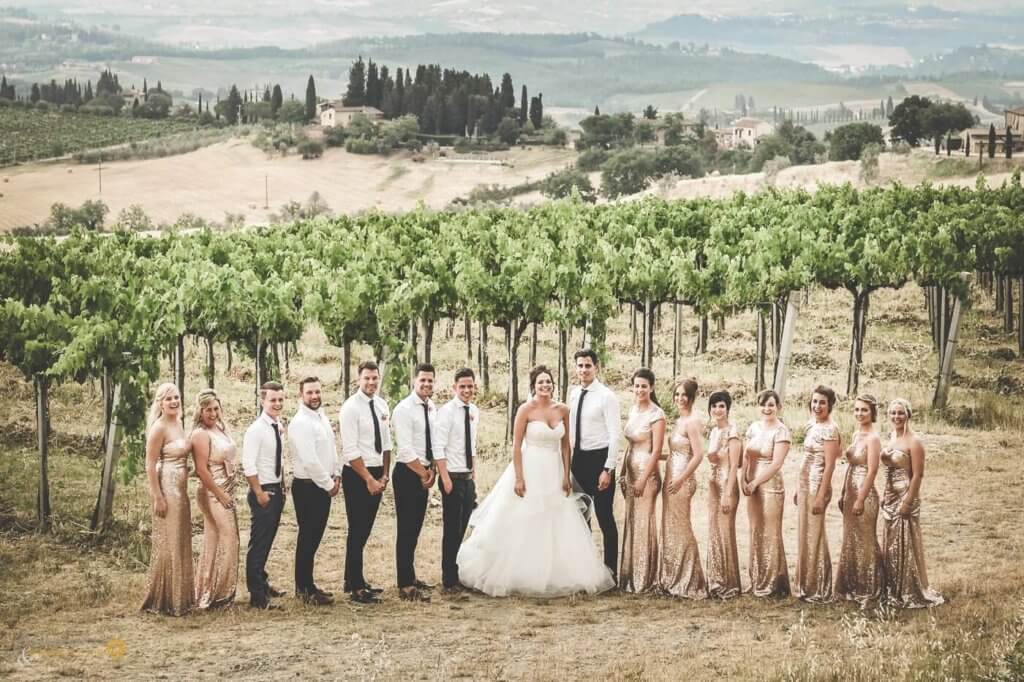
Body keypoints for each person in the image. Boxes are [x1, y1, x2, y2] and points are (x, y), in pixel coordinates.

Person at [457, 365, 614, 597]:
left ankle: (557, 572)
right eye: (540, 382)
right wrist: (519, 478)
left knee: (557, 519)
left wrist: (566, 474)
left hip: (555, 470)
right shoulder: (525, 410)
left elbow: (565, 445)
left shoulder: (562, 410)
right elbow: (517, 445)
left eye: (548, 382)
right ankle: (521, 571)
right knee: (525, 517)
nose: (545, 386)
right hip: (530, 468)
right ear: (533, 386)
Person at [880, 399, 944, 608]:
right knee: (890, 542)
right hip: (889, 495)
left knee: (905, 541)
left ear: (908, 415)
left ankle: (909, 588)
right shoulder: (891, 437)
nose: (896, 417)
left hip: (906, 494)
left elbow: (918, 475)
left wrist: (907, 501)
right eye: (893, 413)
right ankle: (893, 586)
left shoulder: (914, 441)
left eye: (900, 413)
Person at [339, 360, 391, 604]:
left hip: (377, 472)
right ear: (358, 380)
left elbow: (387, 443)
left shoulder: (381, 405)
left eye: (375, 378)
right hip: (358, 474)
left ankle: (353, 578)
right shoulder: (350, 408)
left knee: (366, 528)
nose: (371, 382)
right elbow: (350, 450)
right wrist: (369, 479)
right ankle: (356, 587)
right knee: (357, 529)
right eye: (367, 378)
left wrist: (385, 474)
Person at [141, 382, 195, 615]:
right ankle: (166, 600)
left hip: (182, 489)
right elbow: (150, 465)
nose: (174, 401)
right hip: (167, 488)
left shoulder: (179, 423)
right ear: (160, 403)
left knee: (182, 538)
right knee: (170, 541)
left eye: (176, 397)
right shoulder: (159, 428)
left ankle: (182, 597)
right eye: (168, 398)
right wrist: (157, 497)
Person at [568, 349, 621, 580]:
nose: (583, 370)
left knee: (604, 517)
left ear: (596, 367)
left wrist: (607, 469)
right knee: (581, 518)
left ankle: (611, 571)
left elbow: (615, 435)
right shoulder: (573, 393)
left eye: (588, 365)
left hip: (600, 461)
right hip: (578, 460)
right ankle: (586, 569)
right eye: (580, 365)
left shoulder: (606, 396)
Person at [288, 376, 340, 606]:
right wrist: (329, 485)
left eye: (318, 392)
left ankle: (308, 584)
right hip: (309, 487)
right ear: (301, 395)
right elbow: (309, 460)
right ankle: (303, 589)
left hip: (323, 484)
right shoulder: (301, 423)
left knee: (314, 538)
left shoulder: (321, 417)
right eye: (310, 393)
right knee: (307, 538)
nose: (315, 396)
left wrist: (336, 472)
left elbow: (330, 447)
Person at [390, 363, 438, 602]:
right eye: (423, 381)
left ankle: (411, 575)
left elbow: (434, 442)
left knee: (416, 528)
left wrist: (433, 471)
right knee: (406, 528)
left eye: (430, 381)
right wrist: (423, 473)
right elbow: (406, 449)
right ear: (414, 381)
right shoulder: (403, 409)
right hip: (408, 473)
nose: (427, 384)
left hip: (425, 473)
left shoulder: (431, 407)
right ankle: (405, 584)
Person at [192, 389, 239, 610]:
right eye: (208, 409)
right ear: (200, 411)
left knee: (215, 540)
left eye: (215, 408)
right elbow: (201, 470)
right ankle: (219, 593)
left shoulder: (220, 428)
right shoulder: (201, 434)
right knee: (229, 538)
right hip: (214, 492)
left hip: (227, 489)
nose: (212, 413)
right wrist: (220, 494)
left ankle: (207, 591)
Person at [619, 368, 665, 594]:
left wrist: (642, 480)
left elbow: (657, 451)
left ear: (652, 387)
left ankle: (644, 578)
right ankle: (629, 576)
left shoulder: (657, 415)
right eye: (636, 385)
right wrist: (622, 472)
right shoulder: (633, 409)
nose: (639, 390)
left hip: (647, 474)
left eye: (644, 386)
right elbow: (629, 445)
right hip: (630, 471)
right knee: (631, 521)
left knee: (644, 522)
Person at [433, 367, 479, 595]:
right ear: (454, 388)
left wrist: (474, 475)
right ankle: (448, 580)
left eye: (470, 386)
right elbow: (438, 447)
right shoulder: (447, 412)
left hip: (467, 476)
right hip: (451, 476)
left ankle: (455, 570)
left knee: (462, 528)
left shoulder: (474, 411)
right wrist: (445, 478)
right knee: (452, 529)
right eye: (462, 386)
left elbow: (472, 446)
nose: (467, 390)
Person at [242, 381, 288, 610]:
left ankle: (262, 582)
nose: (277, 403)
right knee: (258, 545)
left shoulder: (277, 425)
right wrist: (259, 493)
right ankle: (257, 596)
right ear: (262, 401)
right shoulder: (256, 430)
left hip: (276, 489)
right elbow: (248, 465)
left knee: (267, 542)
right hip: (264, 491)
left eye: (280, 399)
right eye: (272, 400)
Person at [660, 377, 707, 598]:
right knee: (672, 527)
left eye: (683, 395)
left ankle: (691, 580)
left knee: (682, 527)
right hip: (671, 475)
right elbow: (677, 451)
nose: (680, 398)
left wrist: (680, 479)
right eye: (677, 394)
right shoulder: (680, 420)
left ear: (691, 397)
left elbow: (698, 455)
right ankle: (674, 576)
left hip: (682, 480)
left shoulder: (693, 422)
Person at [742, 389, 791, 598]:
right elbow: (746, 455)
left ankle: (772, 583)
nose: (767, 408)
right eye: (763, 404)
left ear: (778, 407)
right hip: (751, 483)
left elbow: (777, 463)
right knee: (755, 530)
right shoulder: (753, 427)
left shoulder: (782, 432)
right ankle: (756, 579)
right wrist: (744, 478)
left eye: (771, 404)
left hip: (770, 484)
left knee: (770, 531)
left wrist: (755, 482)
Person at [835, 394, 882, 607]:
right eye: (857, 409)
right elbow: (850, 466)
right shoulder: (856, 434)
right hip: (850, 492)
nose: (860, 414)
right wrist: (844, 494)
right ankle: (851, 586)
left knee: (865, 541)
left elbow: (872, 471)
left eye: (864, 410)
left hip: (865, 493)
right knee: (851, 539)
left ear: (872, 412)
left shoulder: (873, 438)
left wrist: (861, 498)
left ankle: (869, 588)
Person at [794, 385, 840, 603]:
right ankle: (805, 583)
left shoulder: (831, 430)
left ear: (830, 405)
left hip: (817, 484)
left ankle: (819, 586)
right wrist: (798, 488)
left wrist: (821, 496)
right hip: (804, 483)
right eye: (814, 401)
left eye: (822, 402)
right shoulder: (812, 424)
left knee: (815, 534)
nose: (817, 406)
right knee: (805, 533)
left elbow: (830, 465)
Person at [705, 390, 742, 599]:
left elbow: (735, 464)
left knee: (725, 532)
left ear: (728, 408)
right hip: (712, 484)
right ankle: (715, 580)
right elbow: (713, 458)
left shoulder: (732, 432)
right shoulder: (713, 431)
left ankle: (728, 583)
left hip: (726, 485)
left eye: (721, 406)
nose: (717, 410)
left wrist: (727, 494)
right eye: (714, 406)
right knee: (714, 532)